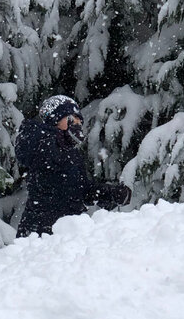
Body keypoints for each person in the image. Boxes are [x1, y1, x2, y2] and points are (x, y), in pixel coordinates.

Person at [14, 95, 131, 238]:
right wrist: (58, 136)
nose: (77, 124)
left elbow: (80, 191)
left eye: (79, 120)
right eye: (71, 118)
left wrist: (111, 194)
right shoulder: (40, 141)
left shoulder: (69, 152)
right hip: (39, 234)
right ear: (55, 119)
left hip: (65, 234)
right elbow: (39, 154)